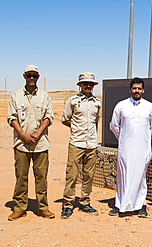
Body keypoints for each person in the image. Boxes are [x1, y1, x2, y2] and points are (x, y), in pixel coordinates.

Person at [7, 64, 54, 221]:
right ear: (24, 76)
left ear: (38, 77)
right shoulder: (15, 96)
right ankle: (19, 208)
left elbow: (49, 117)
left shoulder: (44, 96)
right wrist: (23, 135)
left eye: (34, 75)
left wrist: (37, 134)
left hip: (40, 144)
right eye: (29, 75)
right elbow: (12, 118)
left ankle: (43, 208)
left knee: (41, 177)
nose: (32, 78)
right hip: (21, 145)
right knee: (21, 176)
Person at [109, 77, 152, 217]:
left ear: (143, 90)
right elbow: (113, 126)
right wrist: (124, 138)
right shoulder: (121, 105)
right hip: (125, 148)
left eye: (139, 88)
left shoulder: (150, 106)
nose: (137, 91)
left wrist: (144, 140)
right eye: (134, 88)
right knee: (123, 175)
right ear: (130, 89)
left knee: (141, 175)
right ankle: (119, 205)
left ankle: (141, 205)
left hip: (143, 148)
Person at [61, 72, 101, 219]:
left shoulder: (97, 102)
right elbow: (65, 119)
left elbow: (96, 121)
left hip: (91, 144)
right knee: (72, 175)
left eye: (91, 84)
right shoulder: (72, 101)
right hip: (76, 143)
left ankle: (85, 202)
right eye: (85, 83)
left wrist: (94, 138)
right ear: (80, 85)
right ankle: (68, 204)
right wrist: (76, 128)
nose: (88, 86)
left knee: (89, 175)